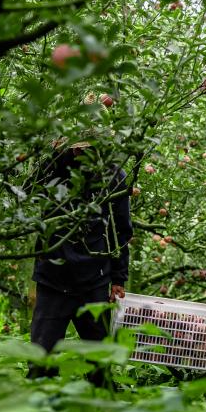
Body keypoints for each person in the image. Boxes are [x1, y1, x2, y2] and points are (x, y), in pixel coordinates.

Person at [27, 140, 132, 379]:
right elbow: (28, 193)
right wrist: (50, 154)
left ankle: (98, 410)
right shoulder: (53, 167)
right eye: (76, 146)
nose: (79, 152)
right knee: (41, 362)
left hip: (93, 279)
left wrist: (118, 277)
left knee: (99, 364)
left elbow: (121, 229)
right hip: (52, 276)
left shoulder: (113, 174)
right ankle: (40, 409)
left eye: (87, 147)